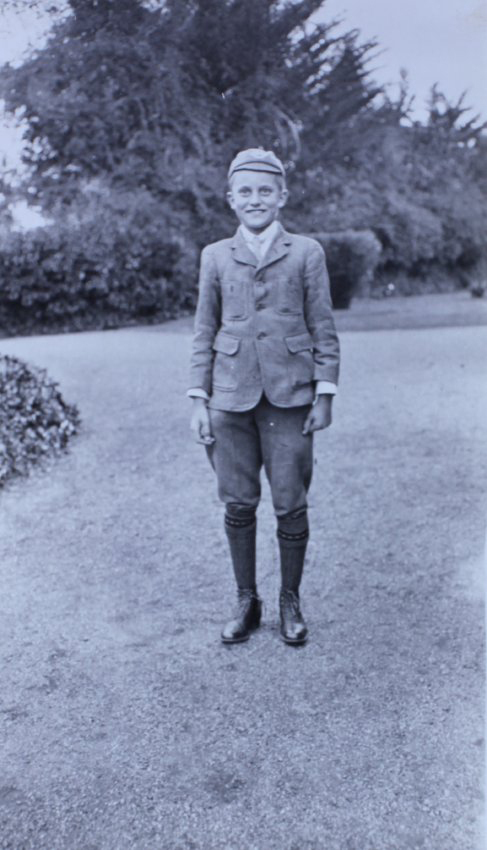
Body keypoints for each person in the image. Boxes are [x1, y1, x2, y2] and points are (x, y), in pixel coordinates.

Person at [188, 148, 340, 646]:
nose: (256, 200)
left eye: (265, 191)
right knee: (237, 502)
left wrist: (324, 393)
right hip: (229, 399)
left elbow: (323, 327)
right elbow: (203, 329)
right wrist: (198, 400)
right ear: (231, 199)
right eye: (246, 192)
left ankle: (289, 600)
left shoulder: (305, 252)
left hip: (290, 396)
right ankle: (245, 599)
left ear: (282, 196)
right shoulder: (214, 255)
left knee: (291, 502)